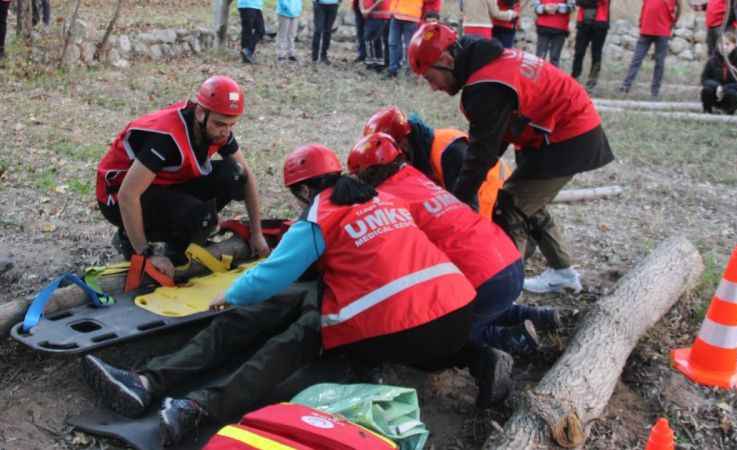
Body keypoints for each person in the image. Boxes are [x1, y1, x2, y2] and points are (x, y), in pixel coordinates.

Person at [83, 144, 511, 446]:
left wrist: (229, 295)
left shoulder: (320, 215)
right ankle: (479, 358)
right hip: (456, 313)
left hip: (390, 319)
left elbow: (268, 277)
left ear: (304, 191)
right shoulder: (384, 200)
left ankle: (189, 406)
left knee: (292, 338)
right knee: (328, 306)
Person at [407, 23, 615, 294]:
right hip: (556, 133)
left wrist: (457, 203)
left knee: (509, 207)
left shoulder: (485, 86)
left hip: (567, 136)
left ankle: (505, 289)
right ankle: (562, 273)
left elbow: (482, 152)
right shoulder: (488, 66)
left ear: (446, 60)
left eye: (429, 77)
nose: (433, 87)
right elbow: (495, 139)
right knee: (529, 202)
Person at [349, 132, 563, 354]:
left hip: (484, 279)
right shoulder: (418, 177)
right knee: (483, 308)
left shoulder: (386, 199)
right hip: (509, 261)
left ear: (367, 172)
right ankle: (538, 316)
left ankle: (513, 339)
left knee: (449, 333)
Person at [95, 76, 269, 278]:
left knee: (235, 174)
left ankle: (179, 242)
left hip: (160, 184)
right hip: (116, 198)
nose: (225, 132)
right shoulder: (165, 137)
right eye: (220, 123)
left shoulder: (218, 128)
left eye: (232, 124)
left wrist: (257, 233)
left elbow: (247, 177)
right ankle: (131, 237)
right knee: (202, 218)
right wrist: (145, 253)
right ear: (200, 113)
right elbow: (127, 195)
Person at [363, 106, 510, 219]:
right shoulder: (425, 152)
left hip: (496, 209)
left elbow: (467, 213)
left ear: (404, 142)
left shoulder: (449, 151)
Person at [619, 0, 680, 98]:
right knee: (636, 59)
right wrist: (641, 22)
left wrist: (672, 22)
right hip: (646, 28)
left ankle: (654, 92)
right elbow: (645, 6)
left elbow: (679, 8)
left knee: (659, 63)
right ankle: (625, 86)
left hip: (662, 30)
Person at [701, 30, 737, 114]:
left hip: (732, 93)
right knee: (706, 90)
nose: (723, 47)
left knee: (731, 94)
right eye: (721, 44)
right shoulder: (713, 60)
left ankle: (729, 111)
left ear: (734, 45)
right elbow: (704, 79)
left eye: (727, 44)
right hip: (716, 93)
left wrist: (725, 88)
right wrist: (717, 86)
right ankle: (708, 111)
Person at [571, 0, 610, 90]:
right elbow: (578, 2)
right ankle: (575, 76)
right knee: (579, 52)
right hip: (583, 22)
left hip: (600, 23)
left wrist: (585, 3)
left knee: (596, 53)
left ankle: (593, 79)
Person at [532, 0, 575, 67]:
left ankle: (552, 77)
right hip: (544, 26)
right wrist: (544, 8)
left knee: (554, 59)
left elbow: (572, 7)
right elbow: (535, 7)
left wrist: (558, 7)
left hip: (560, 28)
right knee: (539, 58)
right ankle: (538, 77)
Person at [386, 0, 422, 77]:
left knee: (403, 46)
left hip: (409, 17)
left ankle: (405, 70)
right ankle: (394, 70)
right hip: (399, 15)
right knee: (395, 44)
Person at [360, 0, 392, 70]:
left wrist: (368, 10)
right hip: (374, 15)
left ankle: (375, 63)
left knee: (372, 39)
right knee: (373, 39)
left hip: (379, 15)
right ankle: (376, 62)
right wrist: (363, 10)